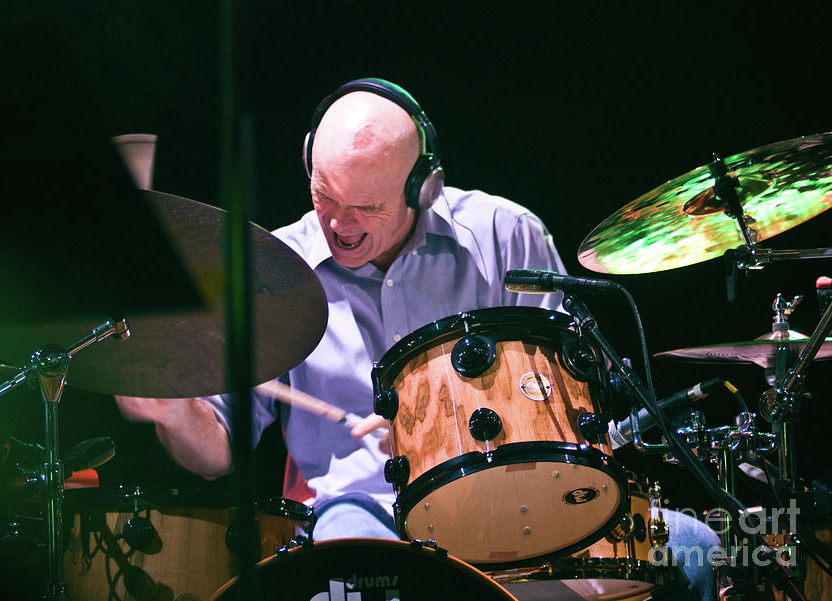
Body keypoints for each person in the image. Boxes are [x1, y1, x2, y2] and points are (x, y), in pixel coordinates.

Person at [117, 78, 719, 601]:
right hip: (361, 513)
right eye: (323, 195)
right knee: (361, 572)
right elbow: (216, 449)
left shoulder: (506, 236)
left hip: (510, 497)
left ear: (422, 188)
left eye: (366, 207)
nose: (339, 225)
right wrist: (173, 412)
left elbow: (559, 405)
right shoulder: (274, 270)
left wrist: (438, 434)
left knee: (697, 549)